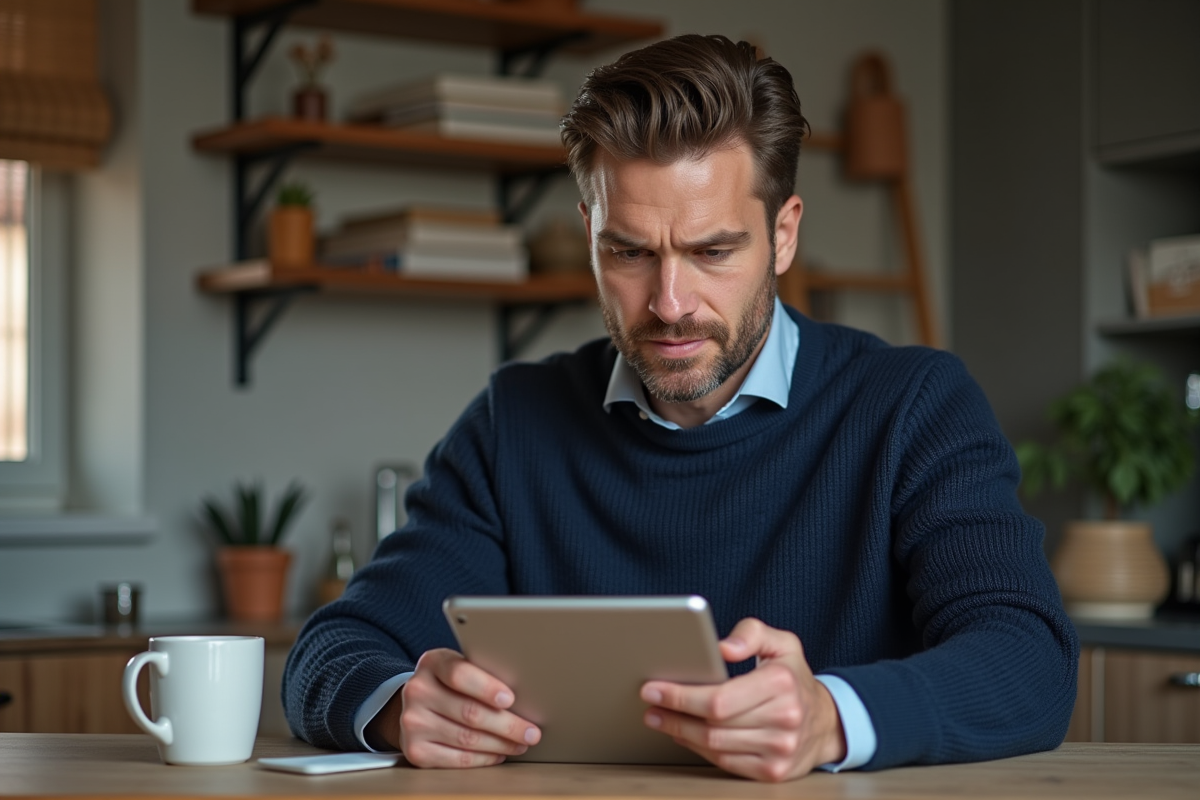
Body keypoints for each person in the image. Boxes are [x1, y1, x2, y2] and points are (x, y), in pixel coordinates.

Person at [283, 34, 1078, 783]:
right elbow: (334, 647)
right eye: (629, 252)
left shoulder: (914, 407)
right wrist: (398, 708)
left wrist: (830, 719)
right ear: (590, 233)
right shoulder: (514, 422)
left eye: (712, 252)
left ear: (784, 234)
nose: (669, 304)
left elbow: (1030, 659)